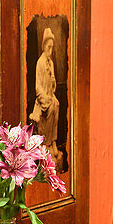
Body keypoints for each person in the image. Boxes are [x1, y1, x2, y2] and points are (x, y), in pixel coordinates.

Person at [29, 27, 64, 172]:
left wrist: (53, 88)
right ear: (44, 46)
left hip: (50, 97)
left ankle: (54, 141)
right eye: (48, 47)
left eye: (52, 48)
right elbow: (38, 88)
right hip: (42, 101)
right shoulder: (40, 63)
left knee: (57, 105)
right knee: (50, 109)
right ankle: (47, 144)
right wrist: (46, 100)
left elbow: (52, 84)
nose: (50, 50)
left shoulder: (51, 63)